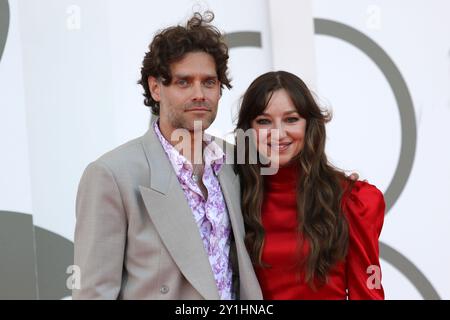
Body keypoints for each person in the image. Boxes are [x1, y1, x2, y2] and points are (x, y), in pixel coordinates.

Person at [73, 12, 262, 300]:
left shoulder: (235, 161)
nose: (199, 93)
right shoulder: (112, 175)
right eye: (184, 82)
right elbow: (93, 292)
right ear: (155, 87)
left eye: (209, 82)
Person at [235, 71, 385, 300]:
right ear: (248, 131)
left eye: (291, 119)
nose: (278, 133)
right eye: (264, 121)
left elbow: (367, 293)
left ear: (309, 125)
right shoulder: (231, 197)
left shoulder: (352, 200)